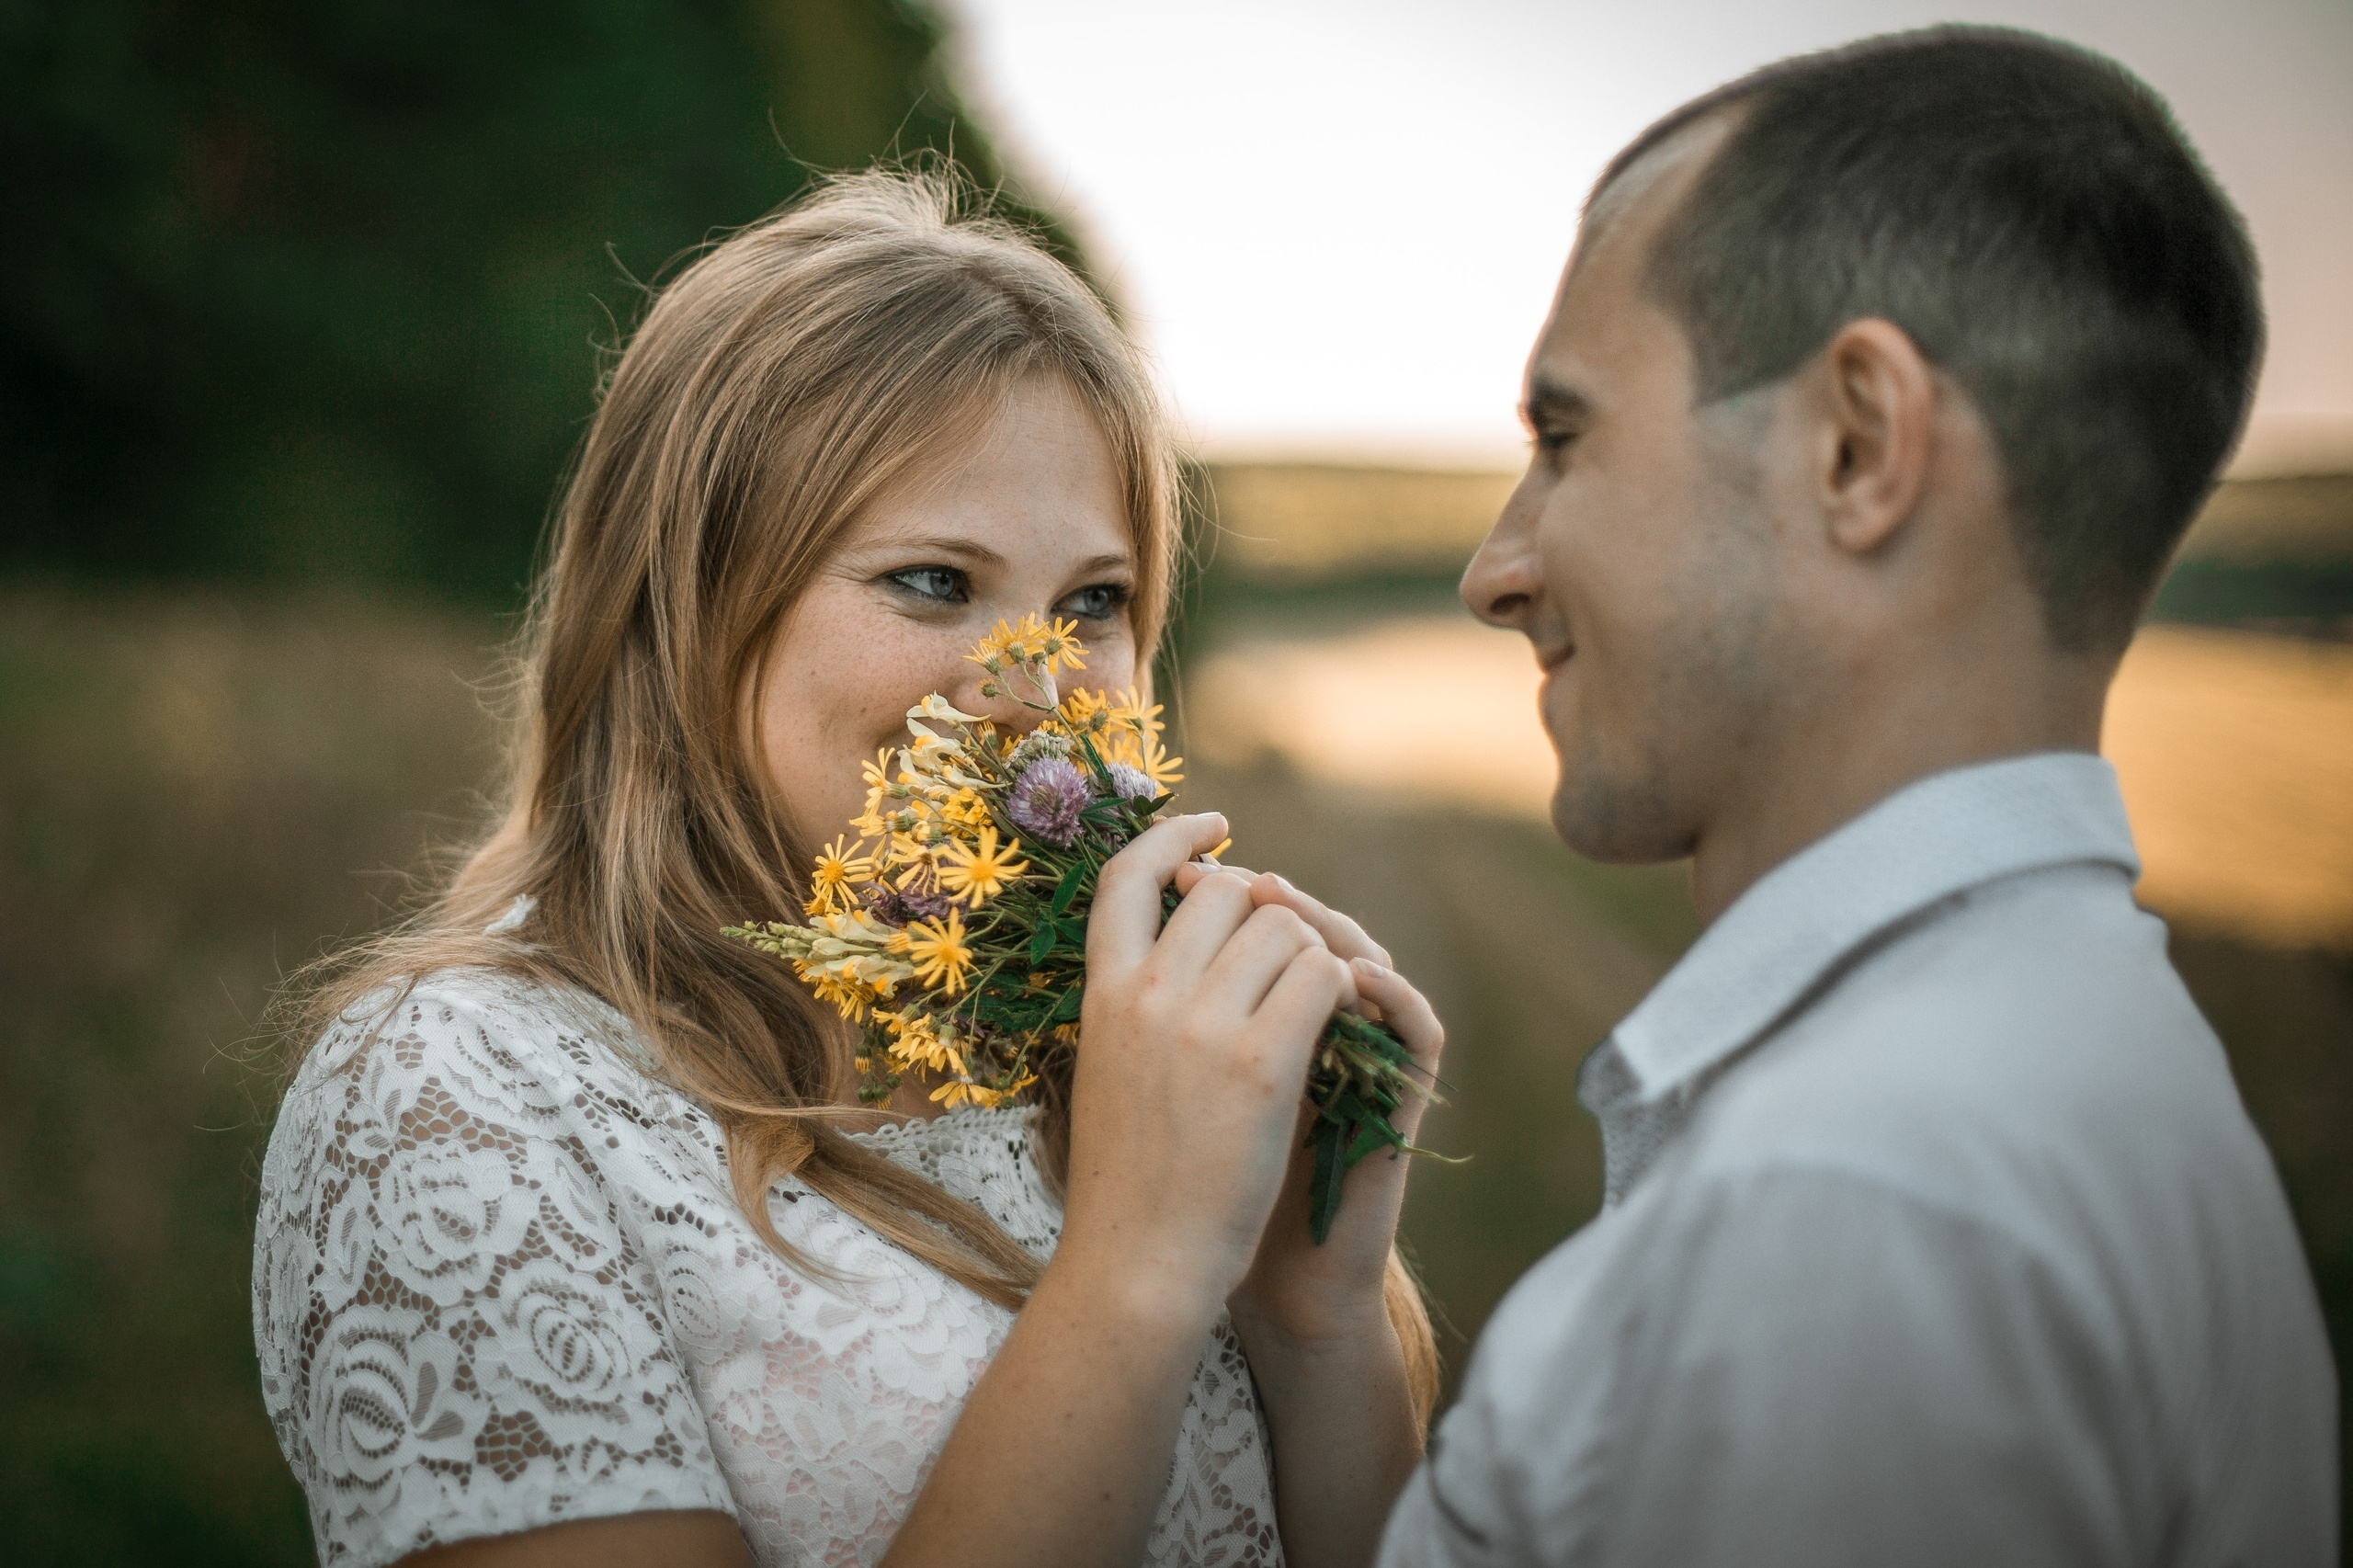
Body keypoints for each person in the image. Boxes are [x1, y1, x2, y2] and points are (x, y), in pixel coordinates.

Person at [253, 168, 1447, 1568]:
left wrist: (1318, 1309)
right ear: (689, 607)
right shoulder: (454, 1098)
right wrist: (1137, 1265)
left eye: (1094, 602)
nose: (1038, 686)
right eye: (936, 581)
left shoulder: (1121, 1054)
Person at [1376, 26, 2336, 1568]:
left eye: (1565, 438)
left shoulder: (1858, 1202)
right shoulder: (2082, 1060)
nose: (1500, 568)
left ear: (1857, 445)